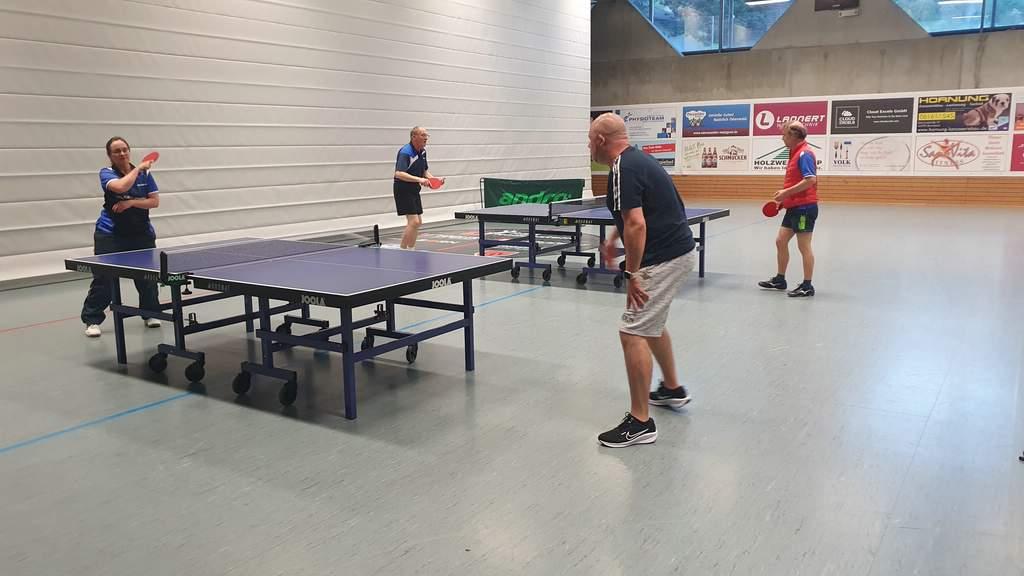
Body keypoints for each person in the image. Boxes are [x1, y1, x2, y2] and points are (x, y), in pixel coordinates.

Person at [590, 113, 697, 448]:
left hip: (662, 257)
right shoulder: (636, 160)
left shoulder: (623, 167)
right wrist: (613, 239)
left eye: (590, 140)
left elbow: (636, 223)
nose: (588, 146)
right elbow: (633, 212)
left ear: (601, 140)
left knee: (632, 331)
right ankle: (672, 389)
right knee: (651, 324)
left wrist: (632, 273)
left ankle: (640, 422)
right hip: (678, 251)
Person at [81, 137, 161, 337]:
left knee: (148, 277)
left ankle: (150, 313)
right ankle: (92, 320)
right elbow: (120, 187)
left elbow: (154, 201)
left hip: (141, 233)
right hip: (110, 234)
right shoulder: (106, 173)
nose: (122, 153)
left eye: (125, 149)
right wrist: (138, 169)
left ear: (129, 151)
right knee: (104, 279)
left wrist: (131, 203)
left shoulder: (146, 174)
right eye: (117, 151)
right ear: (110, 155)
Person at [758, 120, 818, 297]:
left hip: (804, 208)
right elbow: (796, 181)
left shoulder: (805, 154)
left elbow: (810, 180)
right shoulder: (794, 152)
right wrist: (784, 201)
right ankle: (780, 279)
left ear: (793, 136)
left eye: (784, 135)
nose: (782, 138)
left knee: (804, 246)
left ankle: (807, 286)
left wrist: (786, 193)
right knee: (780, 241)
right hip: (794, 207)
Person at [393, 126, 443, 249]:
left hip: (414, 189)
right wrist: (419, 180)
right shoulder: (406, 152)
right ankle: (402, 250)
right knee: (414, 221)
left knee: (418, 222)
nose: (426, 138)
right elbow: (399, 173)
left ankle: (411, 249)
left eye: (427, 135)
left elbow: (424, 171)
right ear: (414, 137)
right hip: (403, 188)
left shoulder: (423, 152)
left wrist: (434, 180)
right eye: (423, 135)